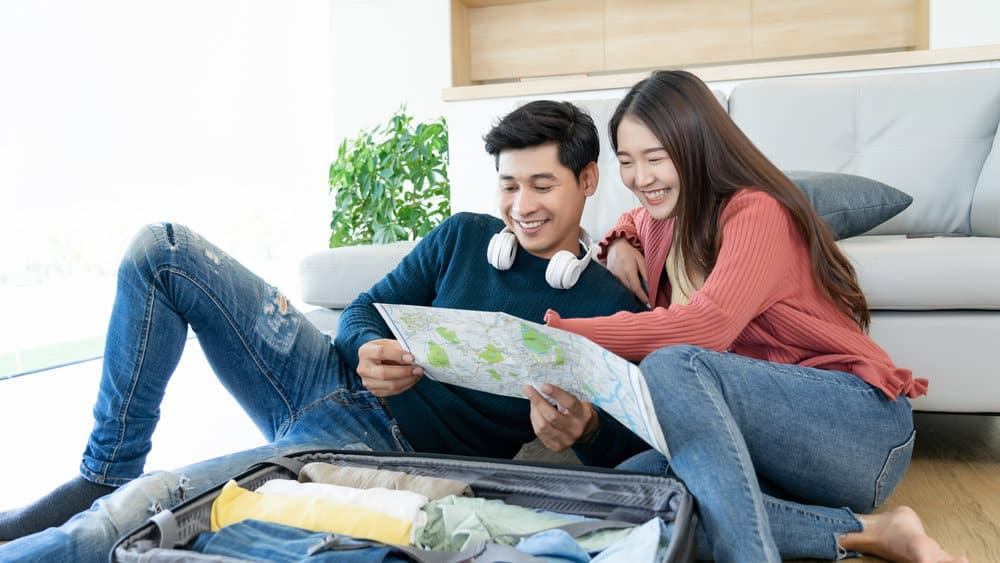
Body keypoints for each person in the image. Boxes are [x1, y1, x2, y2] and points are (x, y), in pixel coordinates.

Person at [0, 100, 649, 561]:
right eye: (509, 185)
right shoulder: (466, 236)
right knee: (162, 249)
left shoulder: (608, 306)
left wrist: (584, 430)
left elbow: (626, 454)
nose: (522, 206)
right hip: (324, 377)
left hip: (378, 444)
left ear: (588, 180)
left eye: (543, 185)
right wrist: (365, 346)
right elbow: (365, 307)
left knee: (147, 507)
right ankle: (105, 467)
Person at [537, 70, 965, 563]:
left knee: (672, 365)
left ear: (698, 146)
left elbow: (707, 326)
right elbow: (635, 217)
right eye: (628, 162)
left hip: (858, 428)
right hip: (771, 456)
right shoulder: (658, 222)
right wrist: (619, 238)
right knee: (631, 494)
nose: (640, 178)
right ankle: (868, 532)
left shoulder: (756, 211)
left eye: (656, 158)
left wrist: (572, 336)